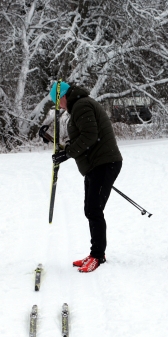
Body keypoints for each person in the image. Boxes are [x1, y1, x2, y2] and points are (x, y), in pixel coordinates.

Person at [49, 81, 123, 273]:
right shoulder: (79, 106)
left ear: (63, 96)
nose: (59, 107)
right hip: (96, 165)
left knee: (94, 209)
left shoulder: (81, 105)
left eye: (58, 102)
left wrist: (68, 153)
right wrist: (65, 151)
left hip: (104, 163)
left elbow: (90, 136)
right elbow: (83, 139)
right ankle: (95, 253)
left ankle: (97, 255)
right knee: (91, 209)